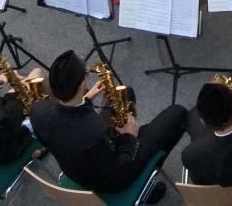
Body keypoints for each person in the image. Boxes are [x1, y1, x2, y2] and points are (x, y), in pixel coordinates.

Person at [30, 50, 188, 197]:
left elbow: (66, 123)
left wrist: (85, 100)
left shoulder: (38, 111)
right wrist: (129, 137)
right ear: (82, 85)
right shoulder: (96, 131)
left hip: (74, 169)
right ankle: (145, 183)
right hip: (112, 182)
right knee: (177, 113)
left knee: (125, 93)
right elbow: (119, 169)